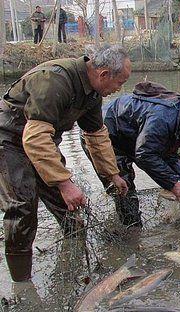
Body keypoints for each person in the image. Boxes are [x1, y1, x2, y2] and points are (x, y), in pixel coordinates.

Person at [0, 45, 130, 298]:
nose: (119, 89)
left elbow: (96, 135)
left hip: (41, 141)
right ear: (104, 74)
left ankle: (72, 258)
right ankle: (22, 285)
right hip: (9, 140)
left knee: (69, 208)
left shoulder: (93, 93)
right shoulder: (56, 80)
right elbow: (34, 137)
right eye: (120, 82)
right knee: (22, 207)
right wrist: (64, 182)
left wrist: (112, 174)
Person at [82, 82, 180, 227]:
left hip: (129, 137)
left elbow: (169, 155)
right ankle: (132, 233)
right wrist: (173, 184)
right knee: (123, 188)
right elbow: (145, 155)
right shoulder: (162, 118)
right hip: (102, 136)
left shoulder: (179, 119)